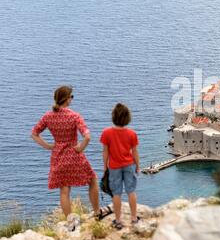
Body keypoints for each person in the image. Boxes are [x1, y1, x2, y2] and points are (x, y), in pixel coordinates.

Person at [31, 86, 104, 226]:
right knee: (92, 180)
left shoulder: (47, 116)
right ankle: (96, 213)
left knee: (64, 190)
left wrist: (49, 146)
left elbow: (34, 134)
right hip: (74, 155)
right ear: (66, 99)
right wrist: (80, 147)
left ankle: (71, 222)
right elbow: (87, 137)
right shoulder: (74, 116)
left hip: (58, 155)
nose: (72, 99)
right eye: (71, 96)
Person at [100, 103, 140, 230]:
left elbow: (105, 151)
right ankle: (134, 218)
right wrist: (138, 166)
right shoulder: (132, 133)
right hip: (129, 165)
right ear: (127, 118)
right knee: (131, 191)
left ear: (113, 117)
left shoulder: (106, 133)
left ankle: (118, 220)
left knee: (116, 194)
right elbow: (134, 152)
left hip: (114, 167)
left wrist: (105, 166)